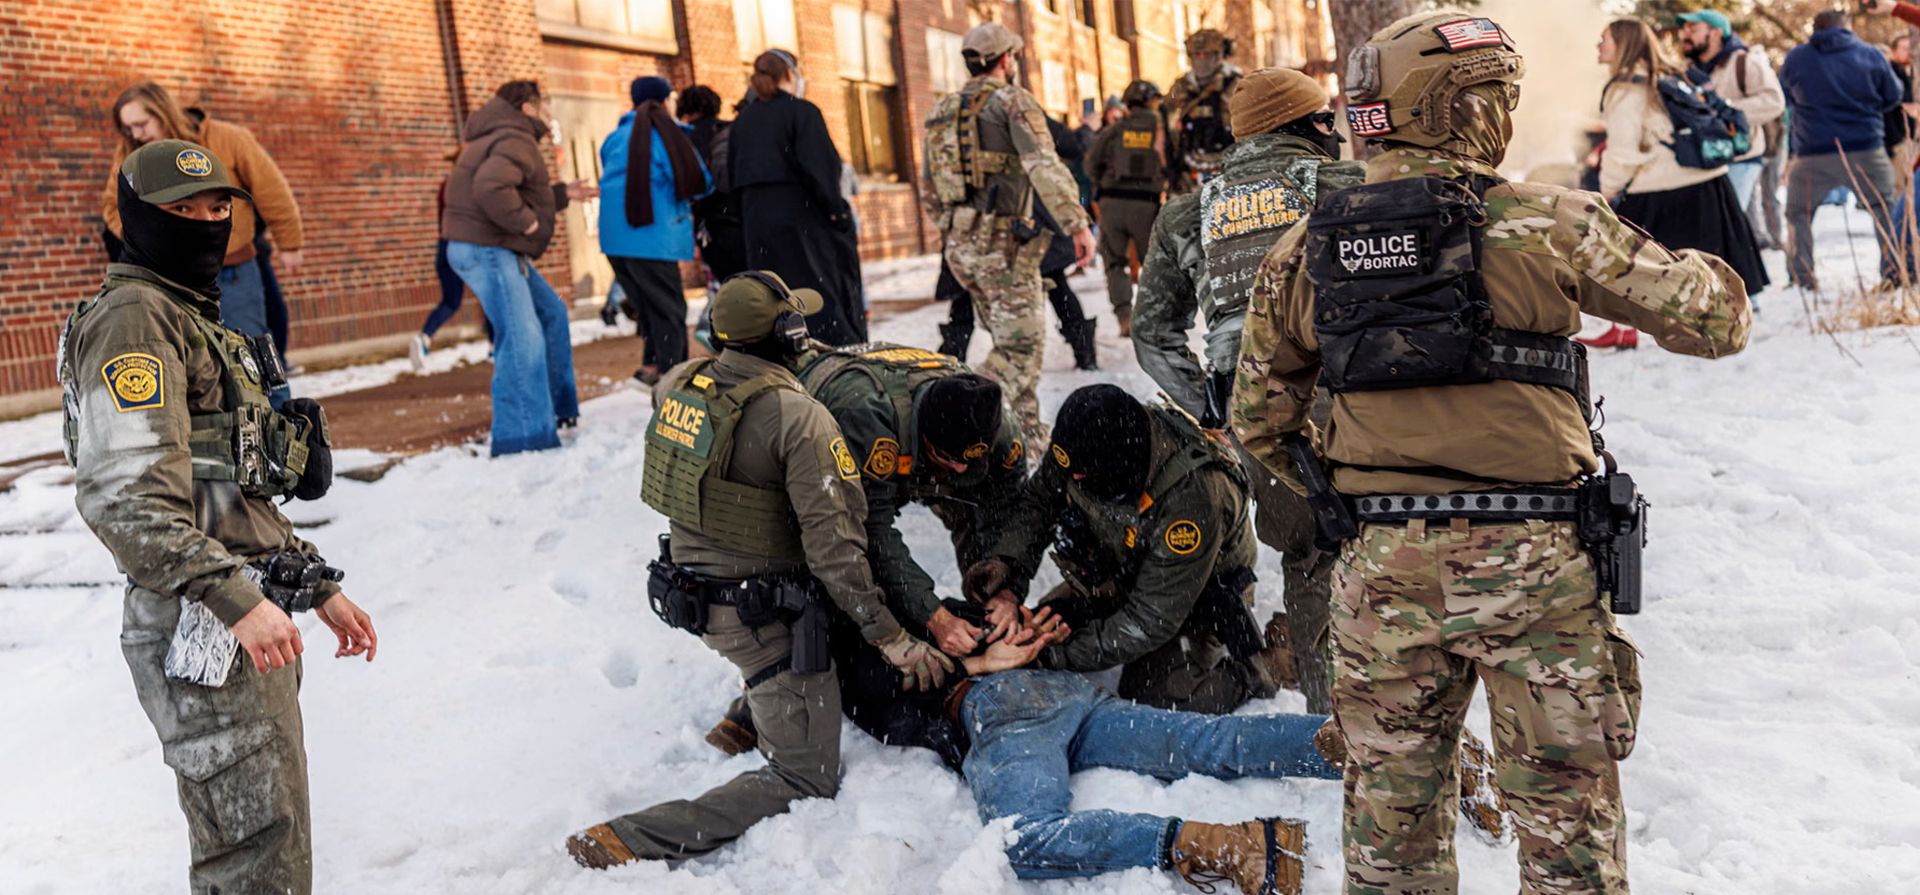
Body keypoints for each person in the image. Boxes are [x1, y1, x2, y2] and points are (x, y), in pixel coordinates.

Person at [1233, 10, 1750, 892]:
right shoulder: (1548, 221)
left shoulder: (1306, 248)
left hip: (1383, 570)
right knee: (1567, 836)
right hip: (1537, 568)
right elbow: (1717, 320)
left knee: (1391, 837)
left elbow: (1256, 417)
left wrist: (1350, 486)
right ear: (1465, 110)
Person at [61, 140, 378, 894]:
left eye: (216, 207)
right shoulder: (136, 321)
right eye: (182, 209)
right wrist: (234, 596)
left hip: (236, 616)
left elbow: (226, 489)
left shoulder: (188, 317)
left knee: (269, 844)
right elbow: (126, 498)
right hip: (198, 619)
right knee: (251, 860)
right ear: (140, 219)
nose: (205, 221)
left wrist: (309, 579)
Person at [565, 271, 952, 869]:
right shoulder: (801, 419)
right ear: (790, 334)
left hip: (693, 592)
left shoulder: (681, 383)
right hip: (761, 619)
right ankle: (632, 838)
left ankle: (747, 715)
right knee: (807, 775)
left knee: (802, 622)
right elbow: (837, 554)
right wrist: (892, 638)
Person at [828, 604, 1510, 895]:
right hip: (1057, 688)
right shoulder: (926, 607)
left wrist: (973, 674)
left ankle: (1235, 846)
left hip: (1001, 713)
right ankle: (1391, 746)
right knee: (1206, 741)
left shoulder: (862, 663)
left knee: (1024, 838)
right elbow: (1001, 631)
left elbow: (910, 711)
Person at [1132, 67, 1365, 713]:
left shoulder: (1189, 212)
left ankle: (1335, 726)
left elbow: (1152, 334)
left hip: (1260, 407)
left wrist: (1213, 402)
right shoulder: (1349, 184)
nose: (1334, 132)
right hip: (1357, 394)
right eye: (1326, 120)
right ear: (1305, 126)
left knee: (1312, 559)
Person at [702, 343, 1029, 755]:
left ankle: (975, 639)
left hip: (917, 446)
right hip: (818, 456)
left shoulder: (998, 430)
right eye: (947, 458)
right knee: (818, 575)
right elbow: (866, 531)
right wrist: (931, 614)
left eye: (969, 462)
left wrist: (1004, 585)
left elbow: (1010, 510)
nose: (959, 470)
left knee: (986, 558)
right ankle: (766, 694)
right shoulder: (866, 419)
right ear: (924, 436)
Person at [965, 384, 1291, 714]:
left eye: (1082, 475)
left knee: (1159, 697)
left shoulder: (1192, 498)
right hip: (1121, 568)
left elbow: (1151, 619)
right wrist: (1007, 564)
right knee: (1040, 628)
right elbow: (1039, 502)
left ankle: (1269, 664)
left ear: (1121, 462)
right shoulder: (1082, 443)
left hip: (1192, 592)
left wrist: (1050, 656)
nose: (1073, 478)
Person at [923, 22, 1095, 445]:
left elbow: (929, 184)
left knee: (1014, 339)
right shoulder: (1012, 100)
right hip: (1003, 247)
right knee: (1021, 348)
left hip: (963, 246)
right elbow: (1044, 164)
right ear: (1005, 59)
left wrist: (952, 230)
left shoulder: (943, 109)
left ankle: (1026, 442)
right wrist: (1077, 223)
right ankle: (950, 419)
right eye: (1014, 56)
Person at [104, 82, 306, 406]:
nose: (136, 133)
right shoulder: (133, 156)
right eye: (128, 128)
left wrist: (290, 242)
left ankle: (279, 428)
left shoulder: (228, 138)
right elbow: (114, 207)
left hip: (233, 270)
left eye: (141, 124)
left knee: (255, 358)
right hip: (169, 281)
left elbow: (272, 191)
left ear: (163, 112)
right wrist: (149, 240)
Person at [1587, 17, 1768, 349]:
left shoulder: (1625, 89)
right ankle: (1724, 326)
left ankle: (1625, 330)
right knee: (1712, 264)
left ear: (1624, 44)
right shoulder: (1670, 74)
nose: (1599, 45)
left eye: (1605, 39)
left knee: (1630, 263)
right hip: (1707, 181)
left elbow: (1624, 151)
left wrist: (1607, 190)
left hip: (1658, 188)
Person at [442, 80, 597, 455]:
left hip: (489, 246)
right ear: (526, 107)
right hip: (488, 249)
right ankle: (524, 435)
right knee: (522, 337)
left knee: (551, 314)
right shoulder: (516, 137)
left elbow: (516, 185)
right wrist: (527, 223)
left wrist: (562, 195)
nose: (548, 110)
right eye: (543, 103)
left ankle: (556, 410)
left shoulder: (501, 134)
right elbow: (492, 189)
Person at [729, 50, 867, 345]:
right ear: (790, 74)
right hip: (800, 218)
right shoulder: (801, 112)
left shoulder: (743, 121)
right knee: (817, 294)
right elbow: (820, 168)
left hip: (757, 223)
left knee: (773, 296)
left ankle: (784, 352)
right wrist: (837, 211)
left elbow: (730, 177)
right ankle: (834, 354)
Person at [1778, 9, 1906, 292]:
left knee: (1798, 213)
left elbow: (1784, 95)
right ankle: (1895, 272)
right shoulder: (1871, 54)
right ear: (1847, 27)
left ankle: (1802, 279)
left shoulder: (1797, 57)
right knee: (1884, 208)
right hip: (1866, 147)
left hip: (1812, 151)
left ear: (1815, 29)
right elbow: (1893, 96)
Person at [600, 76, 711, 385]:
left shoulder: (615, 137)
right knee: (669, 308)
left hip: (614, 239)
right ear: (663, 101)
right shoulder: (665, 135)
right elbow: (695, 180)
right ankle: (674, 377)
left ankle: (651, 364)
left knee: (648, 306)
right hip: (651, 236)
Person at [1676, 9, 1786, 248]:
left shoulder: (1745, 62)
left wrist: (1726, 110)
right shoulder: (1686, 71)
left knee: (1722, 226)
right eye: (1684, 29)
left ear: (1715, 33)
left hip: (1741, 157)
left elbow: (1774, 102)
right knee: (1715, 227)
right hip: (1704, 160)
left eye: (1693, 29)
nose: (1685, 34)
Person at [1086, 79, 1165, 336]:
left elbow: (1091, 163)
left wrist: (1102, 186)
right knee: (1153, 263)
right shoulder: (1160, 129)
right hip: (1146, 204)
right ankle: (1155, 318)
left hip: (1112, 203)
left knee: (1114, 262)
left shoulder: (1114, 130)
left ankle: (1125, 317)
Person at [411, 147, 489, 371]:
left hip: (444, 246)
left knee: (450, 301)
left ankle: (425, 337)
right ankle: (496, 346)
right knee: (489, 294)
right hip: (465, 246)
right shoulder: (468, 185)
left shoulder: (445, 186)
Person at [678, 84, 749, 283]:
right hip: (744, 215)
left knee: (731, 281)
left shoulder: (684, 139)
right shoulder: (732, 130)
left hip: (709, 222)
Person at [1162, 29, 1243, 191]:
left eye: (1207, 55)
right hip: (1189, 170)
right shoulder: (1180, 88)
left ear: (1219, 54)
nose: (1201, 60)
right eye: (1197, 55)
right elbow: (1165, 126)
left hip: (1231, 169)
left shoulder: (1236, 84)